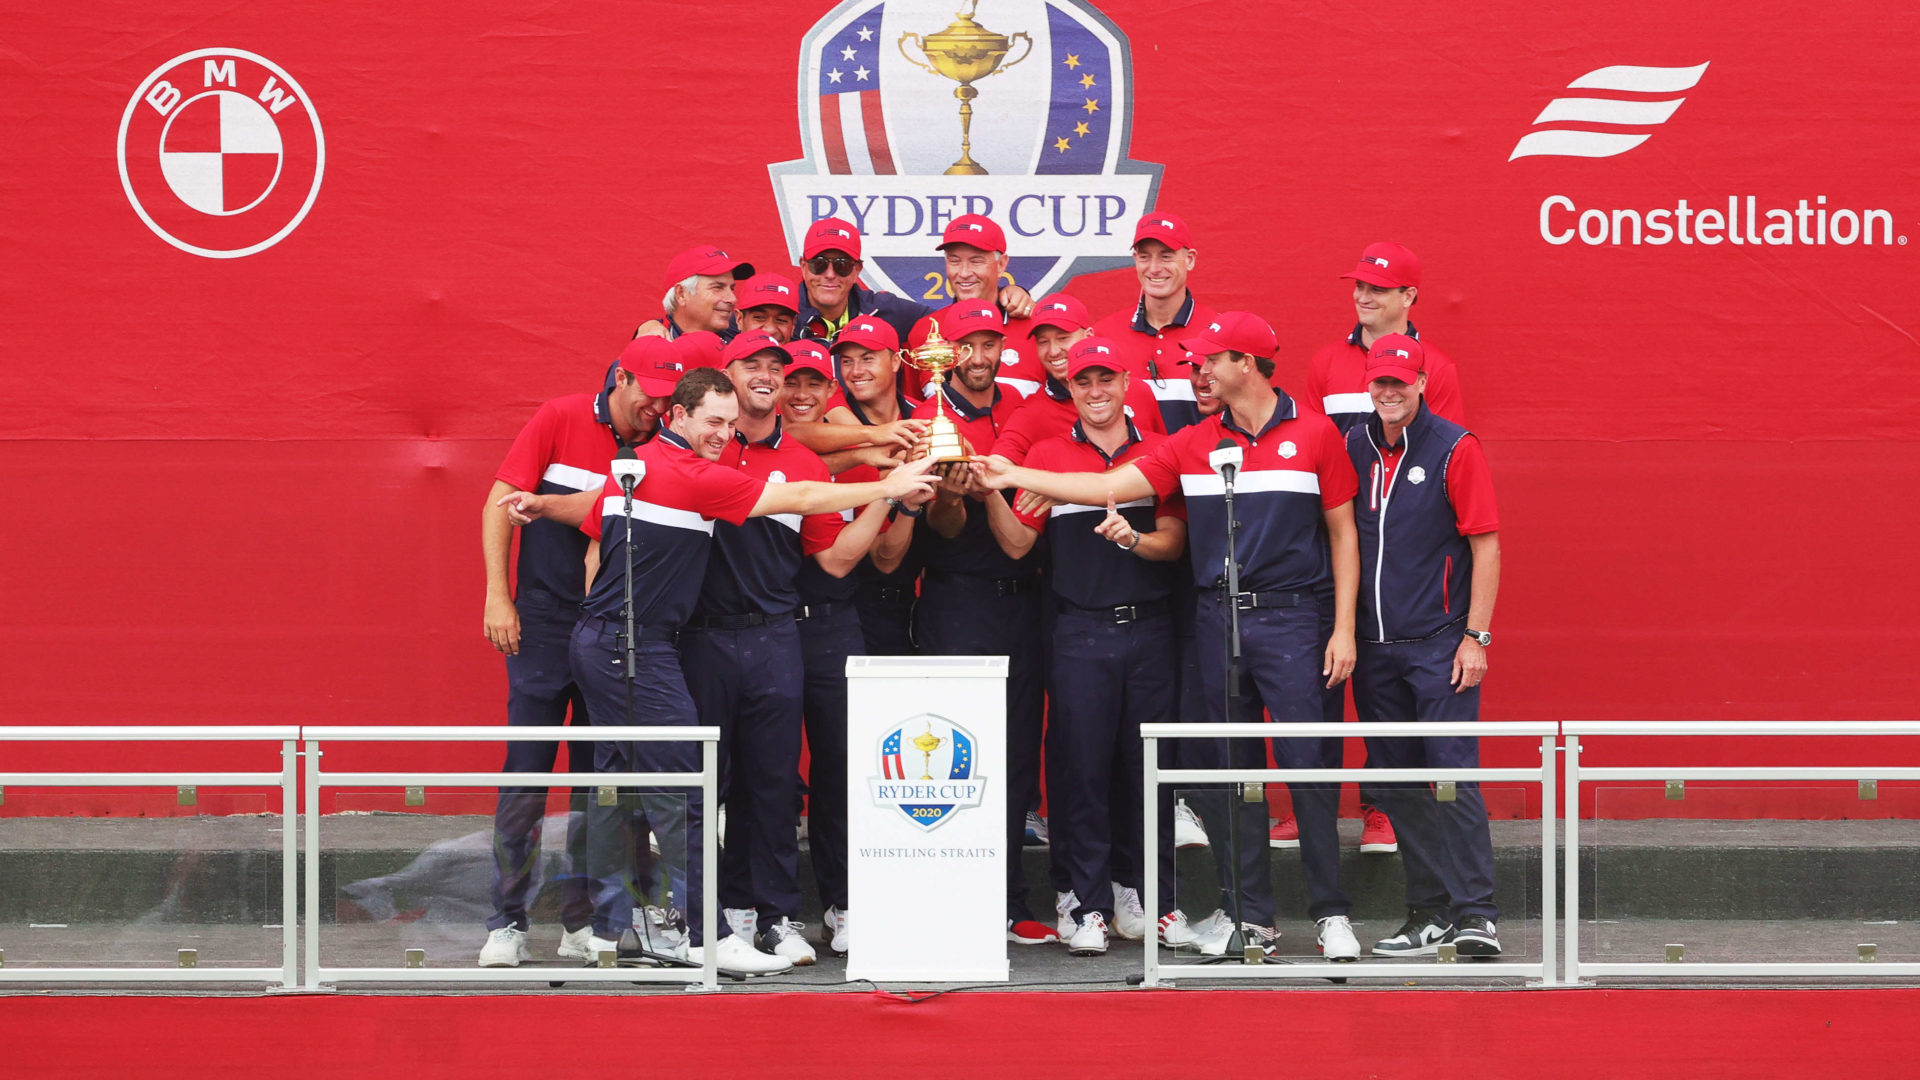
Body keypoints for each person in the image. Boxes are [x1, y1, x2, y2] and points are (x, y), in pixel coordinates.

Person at [971, 310, 1365, 960]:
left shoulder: (1318, 434)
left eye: (1211, 360)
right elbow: (1102, 485)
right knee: (1227, 773)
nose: (1199, 371)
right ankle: (1250, 918)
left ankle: (1331, 916)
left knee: (1306, 767)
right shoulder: (1191, 444)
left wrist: (1344, 627)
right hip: (1216, 619)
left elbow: (1343, 533)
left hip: (1295, 620)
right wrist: (1010, 476)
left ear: (1246, 363)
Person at [551, 357, 936, 976]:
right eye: (711, 422)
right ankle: (703, 936)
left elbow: (596, 514)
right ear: (676, 415)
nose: (723, 435)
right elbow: (803, 494)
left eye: (730, 425)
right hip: (632, 646)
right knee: (686, 787)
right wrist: (887, 487)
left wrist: (540, 508)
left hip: (611, 641)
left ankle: (613, 929)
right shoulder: (692, 474)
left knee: (624, 788)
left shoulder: (641, 461)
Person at [680, 331, 901, 968]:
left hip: (777, 633)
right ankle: (714, 919)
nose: (769, 376)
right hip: (700, 636)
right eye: (754, 364)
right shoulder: (700, 451)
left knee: (775, 784)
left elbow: (832, 562)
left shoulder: (803, 462)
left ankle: (774, 915)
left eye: (779, 367)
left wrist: (890, 497)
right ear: (725, 374)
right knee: (711, 785)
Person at [983, 338, 1187, 956]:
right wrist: (989, 492)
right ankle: (1087, 902)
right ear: (1069, 388)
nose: (1095, 392)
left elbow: (1173, 542)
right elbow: (1019, 543)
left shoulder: (1158, 449)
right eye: (1083, 382)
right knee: (1081, 770)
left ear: (1127, 382)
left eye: (1106, 380)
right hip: (1079, 629)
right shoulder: (1047, 453)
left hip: (1151, 629)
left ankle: (1144, 897)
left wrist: (1133, 539)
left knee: (1144, 767)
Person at [474, 337, 673, 967]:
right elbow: (498, 505)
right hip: (540, 620)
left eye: (669, 400)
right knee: (527, 773)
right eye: (649, 395)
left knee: (600, 783)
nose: (657, 409)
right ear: (619, 378)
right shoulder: (559, 416)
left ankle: (580, 924)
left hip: (612, 627)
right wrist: (497, 597)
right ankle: (506, 923)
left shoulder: (660, 439)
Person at [1345, 334, 1503, 958]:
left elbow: (1485, 545)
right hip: (1374, 648)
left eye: (1399, 383)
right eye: (1379, 382)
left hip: (1441, 645)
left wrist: (1475, 637)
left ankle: (1477, 913)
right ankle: (1431, 910)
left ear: (1420, 384)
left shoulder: (1454, 448)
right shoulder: (1353, 444)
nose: (1388, 392)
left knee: (1453, 777)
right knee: (1398, 781)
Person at [907, 300, 1055, 945]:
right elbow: (937, 528)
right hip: (953, 600)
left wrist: (988, 486)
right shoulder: (925, 420)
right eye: (967, 346)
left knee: (1016, 755)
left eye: (990, 344)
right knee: (951, 756)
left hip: (1023, 599)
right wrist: (950, 491)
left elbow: (1027, 517)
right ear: (948, 354)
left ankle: (1008, 899)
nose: (980, 357)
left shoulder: (1020, 415)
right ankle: (948, 897)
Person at [778, 339, 929, 955]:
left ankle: (843, 905)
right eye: (793, 381)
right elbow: (809, 445)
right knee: (767, 778)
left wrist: (893, 491)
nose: (804, 394)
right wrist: (881, 457)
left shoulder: (859, 458)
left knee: (842, 774)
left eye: (817, 383)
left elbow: (864, 559)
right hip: (769, 627)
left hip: (835, 624)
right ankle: (766, 910)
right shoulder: (751, 450)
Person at [825, 316, 929, 656]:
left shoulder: (926, 419)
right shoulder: (829, 421)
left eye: (867, 358)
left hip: (910, 606)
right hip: (841, 604)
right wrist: (869, 447)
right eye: (846, 361)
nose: (855, 370)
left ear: (897, 360)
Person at [794, 217, 1033, 350]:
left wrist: (1011, 292)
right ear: (804, 266)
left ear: (857, 270)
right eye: (819, 264)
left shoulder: (887, 311)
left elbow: (948, 318)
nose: (830, 274)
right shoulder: (781, 315)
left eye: (842, 264)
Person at [992, 293, 1166, 466]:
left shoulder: (1137, 391)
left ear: (1088, 335)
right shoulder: (1032, 412)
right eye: (1043, 342)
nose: (1053, 351)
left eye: (1063, 338)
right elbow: (998, 464)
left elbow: (1163, 456)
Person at [1091, 213, 1220, 433]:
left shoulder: (1219, 333)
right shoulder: (1103, 336)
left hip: (1199, 466)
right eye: (1144, 257)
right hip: (1125, 467)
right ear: (1135, 259)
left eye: (1166, 256)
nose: (1154, 268)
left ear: (1189, 259)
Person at [907, 214, 1045, 399]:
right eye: (954, 261)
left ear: (1001, 264)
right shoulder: (925, 331)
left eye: (976, 261)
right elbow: (913, 409)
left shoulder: (1037, 329)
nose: (964, 273)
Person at [633, 245, 754, 340]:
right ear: (681, 294)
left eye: (731, 288)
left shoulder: (738, 333)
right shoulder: (649, 353)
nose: (732, 298)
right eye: (718, 287)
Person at [734, 273, 801, 343]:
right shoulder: (723, 353)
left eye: (781, 320)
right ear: (739, 320)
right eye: (759, 317)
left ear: (793, 325)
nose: (770, 330)